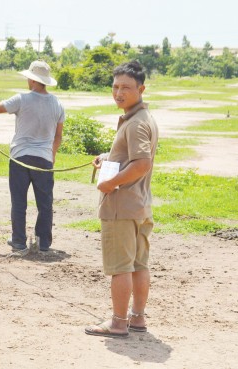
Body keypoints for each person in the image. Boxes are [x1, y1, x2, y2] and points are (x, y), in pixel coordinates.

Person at [85, 61, 159, 338]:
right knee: (139, 264)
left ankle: (118, 322)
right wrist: (107, 159)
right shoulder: (140, 118)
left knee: (120, 268)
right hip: (139, 205)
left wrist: (109, 182)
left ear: (141, 88)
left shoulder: (136, 124)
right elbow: (132, 159)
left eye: (126, 87)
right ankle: (136, 318)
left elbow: (141, 164)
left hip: (121, 207)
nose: (118, 93)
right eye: (115, 87)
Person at [0, 60, 65, 252]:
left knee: (19, 201)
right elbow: (58, 136)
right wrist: (52, 155)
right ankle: (43, 243)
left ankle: (18, 240)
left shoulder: (21, 99)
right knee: (45, 203)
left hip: (20, 157)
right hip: (44, 159)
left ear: (33, 81)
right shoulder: (57, 104)